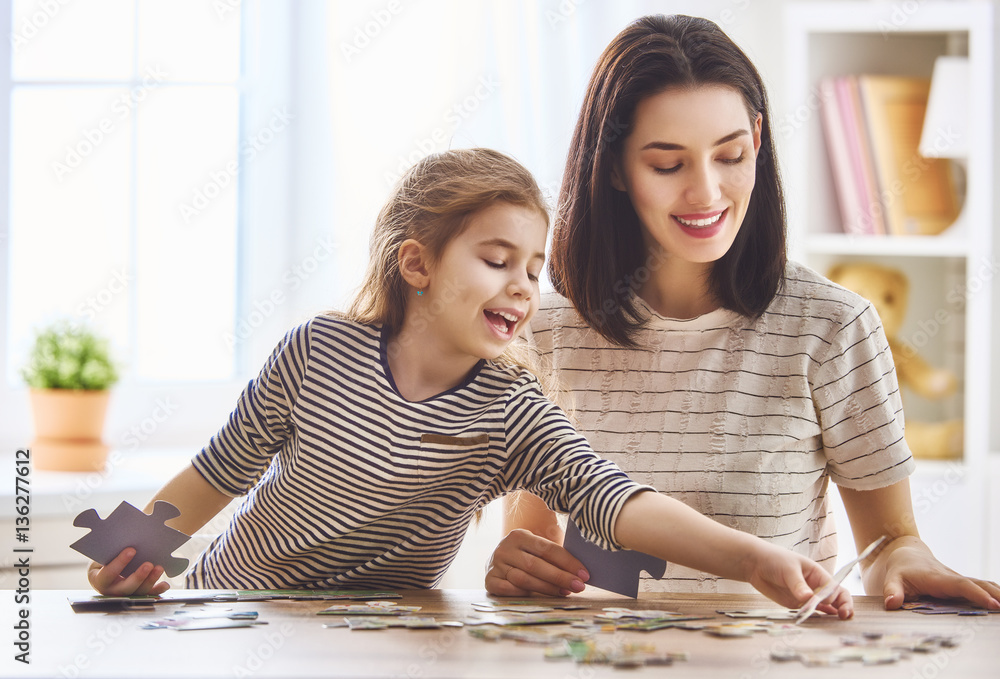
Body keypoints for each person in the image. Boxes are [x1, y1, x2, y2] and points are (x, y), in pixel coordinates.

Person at [86, 148, 853, 616]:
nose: (523, 288)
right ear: (416, 263)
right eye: (496, 259)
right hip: (229, 608)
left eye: (532, 268)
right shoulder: (318, 351)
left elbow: (614, 498)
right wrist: (121, 555)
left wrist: (753, 558)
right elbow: (215, 474)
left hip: (374, 645)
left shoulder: (513, 410)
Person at [485, 15, 1000, 611]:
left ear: (756, 138)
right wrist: (517, 564)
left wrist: (908, 559)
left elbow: (891, 544)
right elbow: (533, 548)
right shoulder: (544, 333)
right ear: (616, 167)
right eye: (667, 164)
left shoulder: (832, 327)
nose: (706, 193)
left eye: (729, 154)